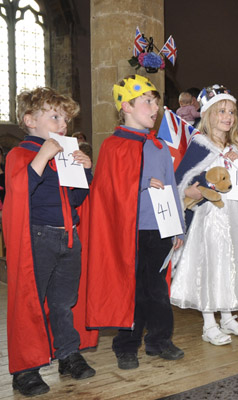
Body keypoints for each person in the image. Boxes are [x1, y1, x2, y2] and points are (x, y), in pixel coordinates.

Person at [86, 74, 186, 370]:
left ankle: (159, 341)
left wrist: (177, 227)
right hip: (127, 232)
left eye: (156, 102)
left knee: (156, 288)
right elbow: (106, 191)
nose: (155, 108)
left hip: (158, 229)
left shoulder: (159, 147)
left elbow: (171, 186)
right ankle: (126, 346)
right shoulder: (113, 147)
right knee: (132, 289)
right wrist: (141, 183)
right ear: (127, 107)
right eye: (147, 102)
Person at [5, 87, 96, 396]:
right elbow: (19, 194)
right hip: (38, 237)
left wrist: (86, 172)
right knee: (30, 302)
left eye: (66, 119)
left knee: (63, 302)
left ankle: (68, 354)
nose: (62, 125)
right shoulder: (20, 154)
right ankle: (25, 369)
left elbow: (75, 199)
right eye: (54, 117)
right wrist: (41, 158)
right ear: (30, 121)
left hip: (69, 237)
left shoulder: (66, 155)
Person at [170, 84, 238, 345]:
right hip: (209, 218)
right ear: (208, 115)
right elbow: (182, 181)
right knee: (211, 265)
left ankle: (226, 316)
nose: (228, 116)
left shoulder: (236, 147)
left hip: (233, 215)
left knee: (232, 263)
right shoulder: (199, 146)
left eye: (232, 112)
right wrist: (192, 190)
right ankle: (208, 323)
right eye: (221, 111)